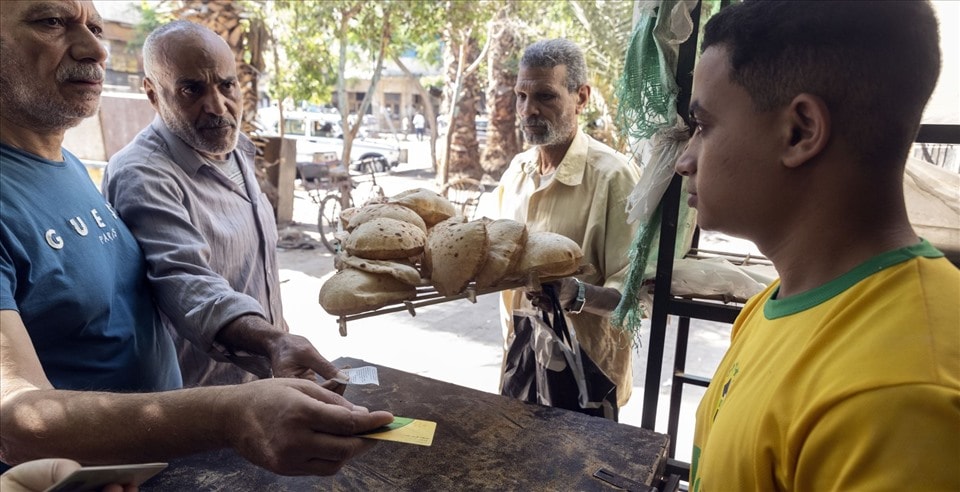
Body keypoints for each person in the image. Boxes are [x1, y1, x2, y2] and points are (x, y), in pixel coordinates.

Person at [0, 0, 392, 476]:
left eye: (96, 27)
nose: (96, 49)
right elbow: (15, 420)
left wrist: (268, 351)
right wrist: (229, 414)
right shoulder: (138, 171)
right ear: (153, 93)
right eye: (51, 22)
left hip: (152, 464)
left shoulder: (67, 167)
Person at [679, 1, 959, 489]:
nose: (685, 159)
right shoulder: (781, 301)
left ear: (800, 131)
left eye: (703, 127)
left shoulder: (898, 396)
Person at [102, 20, 337, 387]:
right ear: (152, 93)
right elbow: (187, 281)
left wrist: (280, 343)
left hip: (267, 379)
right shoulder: (143, 174)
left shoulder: (236, 147)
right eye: (191, 89)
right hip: (204, 407)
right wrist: (273, 341)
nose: (216, 106)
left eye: (226, 85)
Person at [493, 39, 640, 417]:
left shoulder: (613, 178)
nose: (529, 110)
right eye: (521, 96)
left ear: (581, 97)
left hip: (585, 375)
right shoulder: (519, 171)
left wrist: (575, 294)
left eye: (545, 96)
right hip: (520, 360)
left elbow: (636, 298)